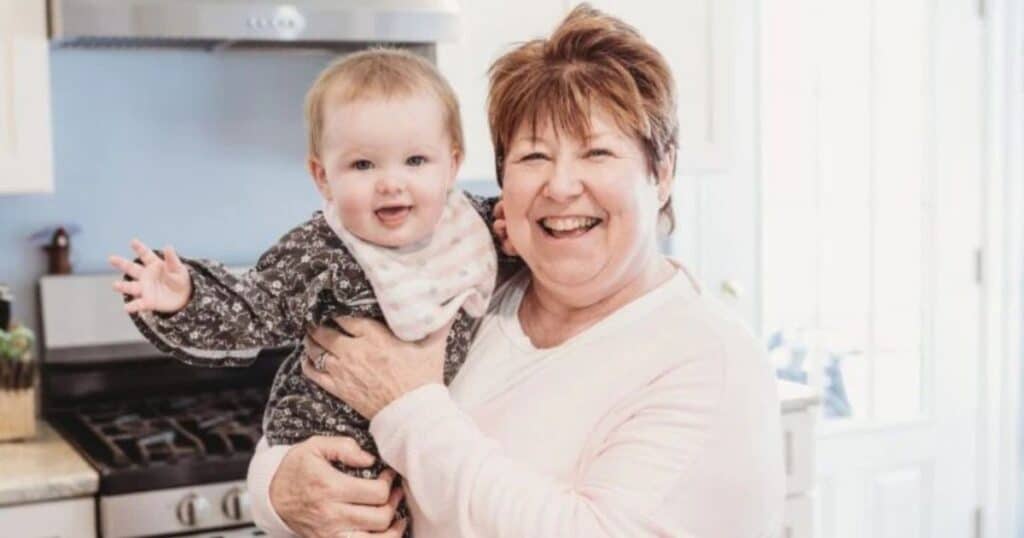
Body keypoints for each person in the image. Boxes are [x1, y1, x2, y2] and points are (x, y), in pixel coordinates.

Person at [248, 5, 785, 537]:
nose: (561, 185)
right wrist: (277, 488)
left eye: (597, 153)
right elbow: (316, 398)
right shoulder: (471, 283)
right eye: (533, 157)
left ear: (661, 171)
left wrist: (406, 407)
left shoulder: (709, 360)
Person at [107, 48, 508, 535]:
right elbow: (252, 308)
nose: (391, 183)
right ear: (323, 177)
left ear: (452, 164)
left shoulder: (475, 225)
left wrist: (512, 234)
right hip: (333, 438)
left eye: (416, 160)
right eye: (363, 165)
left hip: (420, 453)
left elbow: (517, 228)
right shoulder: (318, 252)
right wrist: (185, 297)